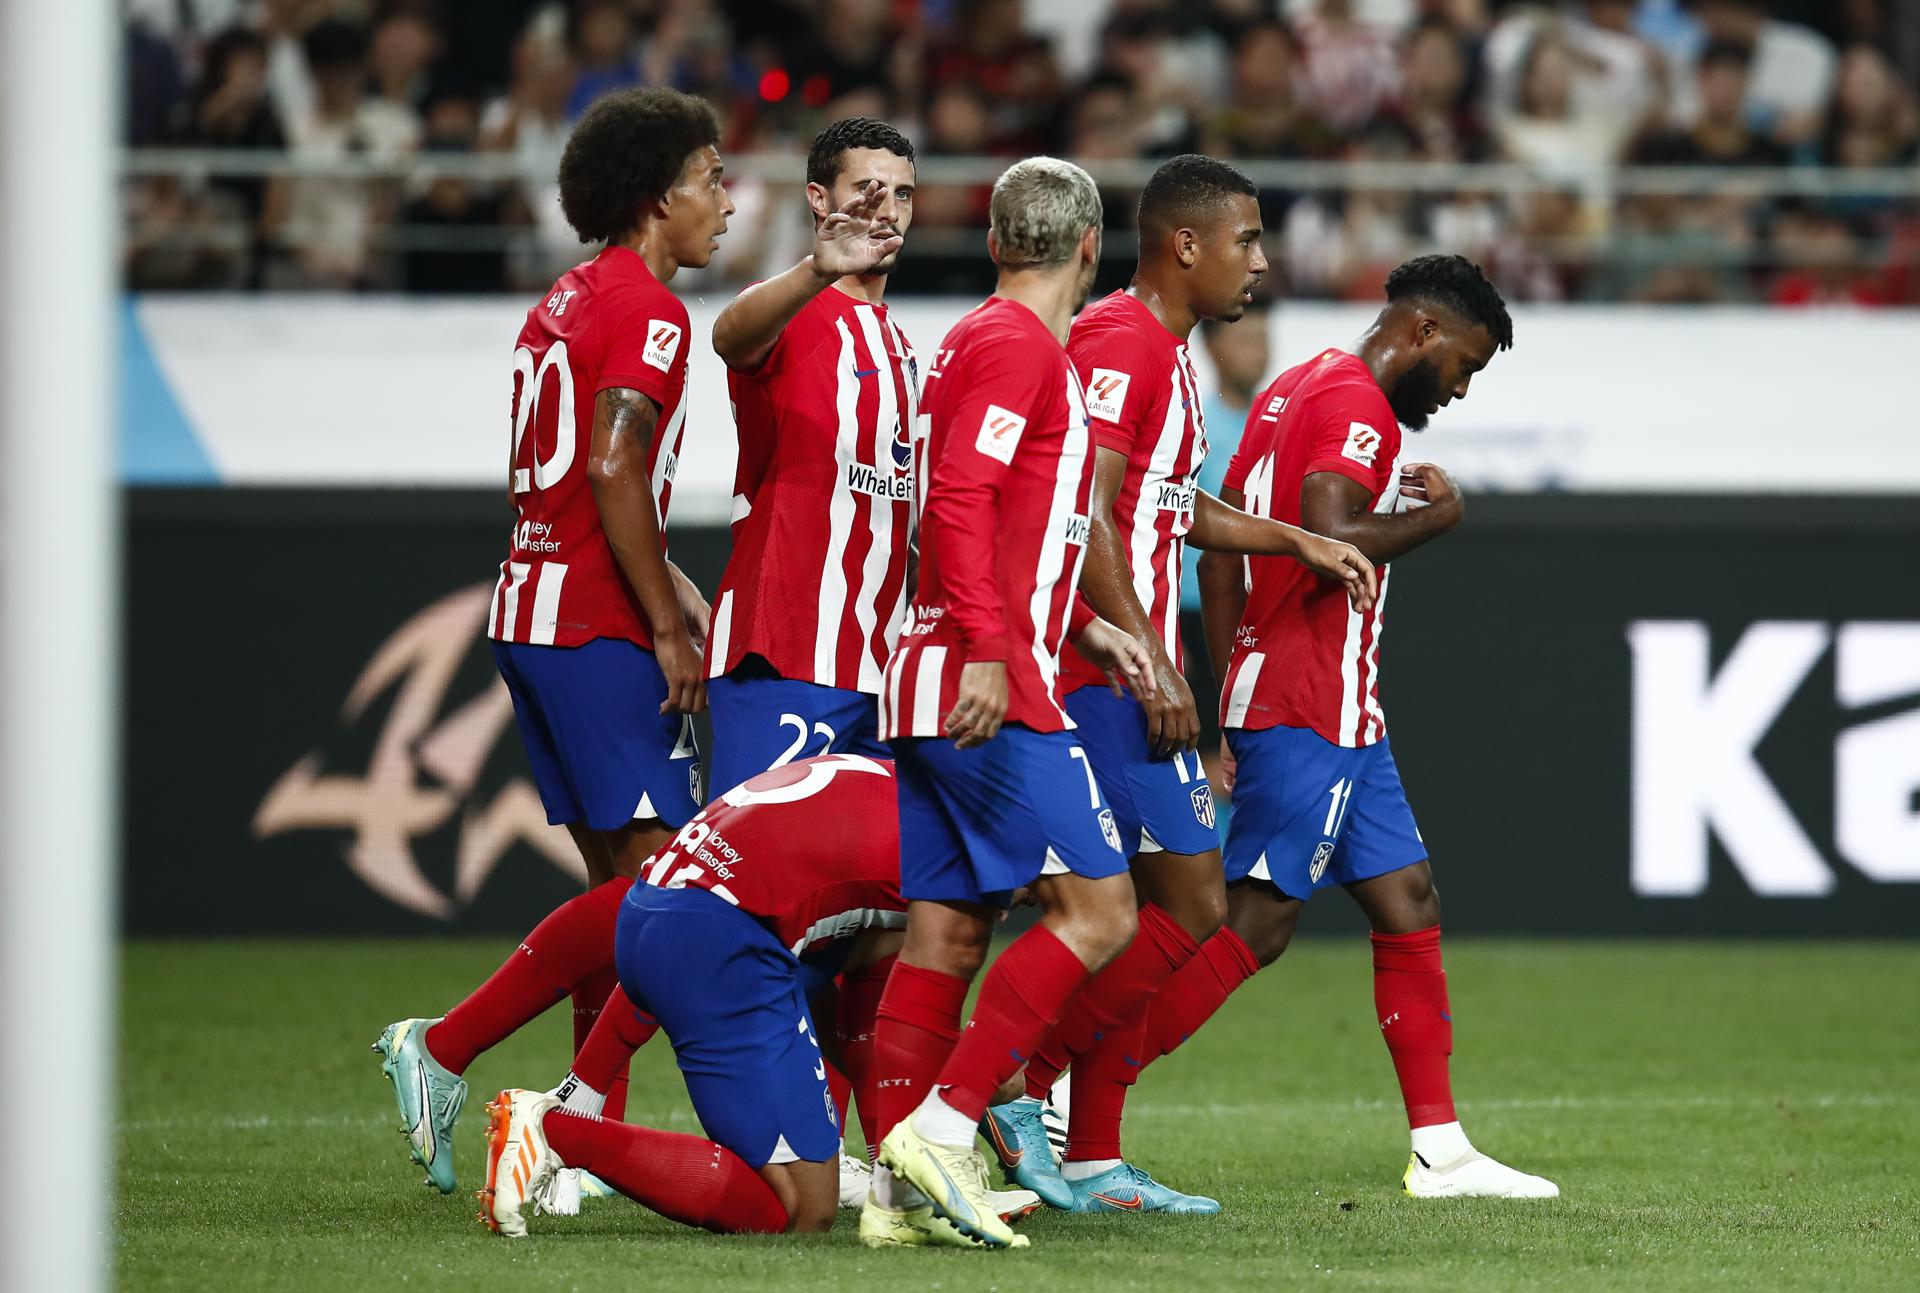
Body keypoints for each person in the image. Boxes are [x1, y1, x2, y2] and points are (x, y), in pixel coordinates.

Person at [980, 155, 1376, 1215]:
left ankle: (1072, 1133)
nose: (1261, 260)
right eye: (1246, 240)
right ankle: (1010, 1089)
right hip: (1092, 670)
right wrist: (1149, 652)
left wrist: (1292, 538)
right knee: (1163, 903)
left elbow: (1167, 507)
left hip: (1116, 666)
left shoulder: (1167, 355)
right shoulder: (1120, 340)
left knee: (1165, 902)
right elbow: (1094, 505)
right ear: (1185, 246)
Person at [1139, 255, 1559, 1200]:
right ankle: (1073, 1085)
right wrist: (1438, 516)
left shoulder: (1292, 389)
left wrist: (1229, 676)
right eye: (1464, 364)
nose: (1457, 389)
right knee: (1255, 918)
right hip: (1309, 701)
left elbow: (1222, 548)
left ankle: (1440, 1150)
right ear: (1422, 333)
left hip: (1323, 703)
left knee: (1407, 895)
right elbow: (1331, 539)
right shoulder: (1357, 410)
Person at [375, 88, 731, 1195]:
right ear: (659, 193)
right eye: (712, 178)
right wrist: (666, 625)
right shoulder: (654, 314)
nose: (726, 200)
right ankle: (445, 1048)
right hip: (593, 629)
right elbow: (615, 466)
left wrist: (669, 574)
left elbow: (578, 478)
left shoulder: (565, 300)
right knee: (661, 889)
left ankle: (577, 1142)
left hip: (531, 609)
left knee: (616, 886)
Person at [857, 157, 1157, 1252]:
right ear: (1089, 250)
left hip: (942, 673)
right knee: (1102, 910)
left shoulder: (980, 341)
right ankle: (941, 1130)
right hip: (984, 685)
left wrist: (1080, 624)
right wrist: (996, 644)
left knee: (947, 927)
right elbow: (961, 500)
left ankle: (897, 1200)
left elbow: (1001, 521)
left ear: (995, 244)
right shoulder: (1021, 346)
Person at [476, 755, 1039, 1238]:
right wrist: (989, 1074)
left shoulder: (905, 781)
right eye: (1041, 883)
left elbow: (845, 972)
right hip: (718, 942)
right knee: (800, 1210)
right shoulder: (966, 864)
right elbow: (917, 1028)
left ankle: (566, 1117)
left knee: (796, 1179)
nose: (1031, 902)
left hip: (653, 911)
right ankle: (552, 1130)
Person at [703, 118, 922, 799]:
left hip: (882, 671)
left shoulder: (906, 350)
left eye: (905, 194)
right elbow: (728, 336)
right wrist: (817, 269)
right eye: (868, 188)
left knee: (874, 895)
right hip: (788, 650)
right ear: (819, 199)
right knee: (748, 875)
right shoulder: (790, 309)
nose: (888, 206)